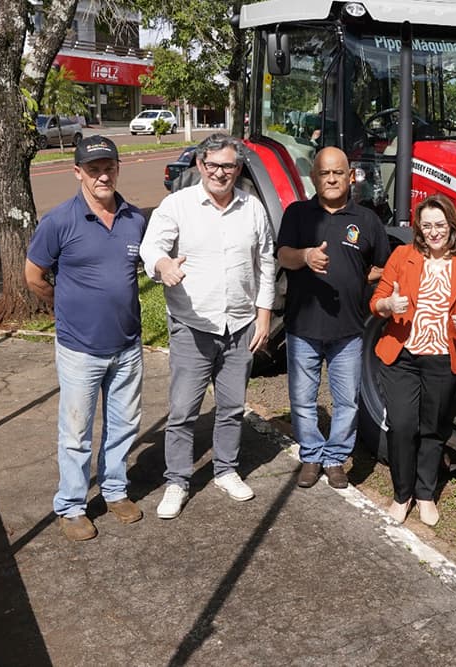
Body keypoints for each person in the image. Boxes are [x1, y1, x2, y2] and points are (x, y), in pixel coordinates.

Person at [140, 133, 275, 519]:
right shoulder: (178, 205)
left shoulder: (252, 208)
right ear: (200, 165)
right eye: (212, 164)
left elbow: (266, 261)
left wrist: (264, 314)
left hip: (240, 325)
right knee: (183, 410)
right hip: (192, 325)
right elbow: (152, 247)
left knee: (232, 406)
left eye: (228, 166)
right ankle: (177, 480)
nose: (220, 172)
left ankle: (226, 470)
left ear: (238, 168)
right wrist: (162, 265)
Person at [24, 135, 147, 542]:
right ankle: (72, 506)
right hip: (80, 349)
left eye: (108, 167)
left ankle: (114, 491)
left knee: (123, 425)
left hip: (127, 346)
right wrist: (62, 304)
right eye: (93, 169)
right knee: (76, 433)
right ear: (78, 173)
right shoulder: (59, 221)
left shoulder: (135, 219)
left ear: (118, 168)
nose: (102, 176)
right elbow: (33, 276)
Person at [276, 147, 391, 489]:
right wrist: (306, 256)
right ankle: (312, 455)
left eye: (338, 173)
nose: (331, 179)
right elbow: (283, 255)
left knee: (346, 402)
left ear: (350, 176)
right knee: (302, 399)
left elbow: (383, 265)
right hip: (303, 327)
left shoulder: (367, 220)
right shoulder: (297, 214)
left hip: (348, 329)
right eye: (324, 173)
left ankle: (336, 458)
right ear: (314, 178)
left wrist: (356, 276)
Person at [370, 194, 456, 526]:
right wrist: (388, 306)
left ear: (451, 226)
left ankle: (424, 494)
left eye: (440, 225)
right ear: (419, 228)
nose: (434, 232)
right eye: (427, 225)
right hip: (402, 356)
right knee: (402, 426)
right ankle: (402, 494)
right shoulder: (402, 256)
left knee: (433, 428)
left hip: (443, 358)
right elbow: (376, 301)